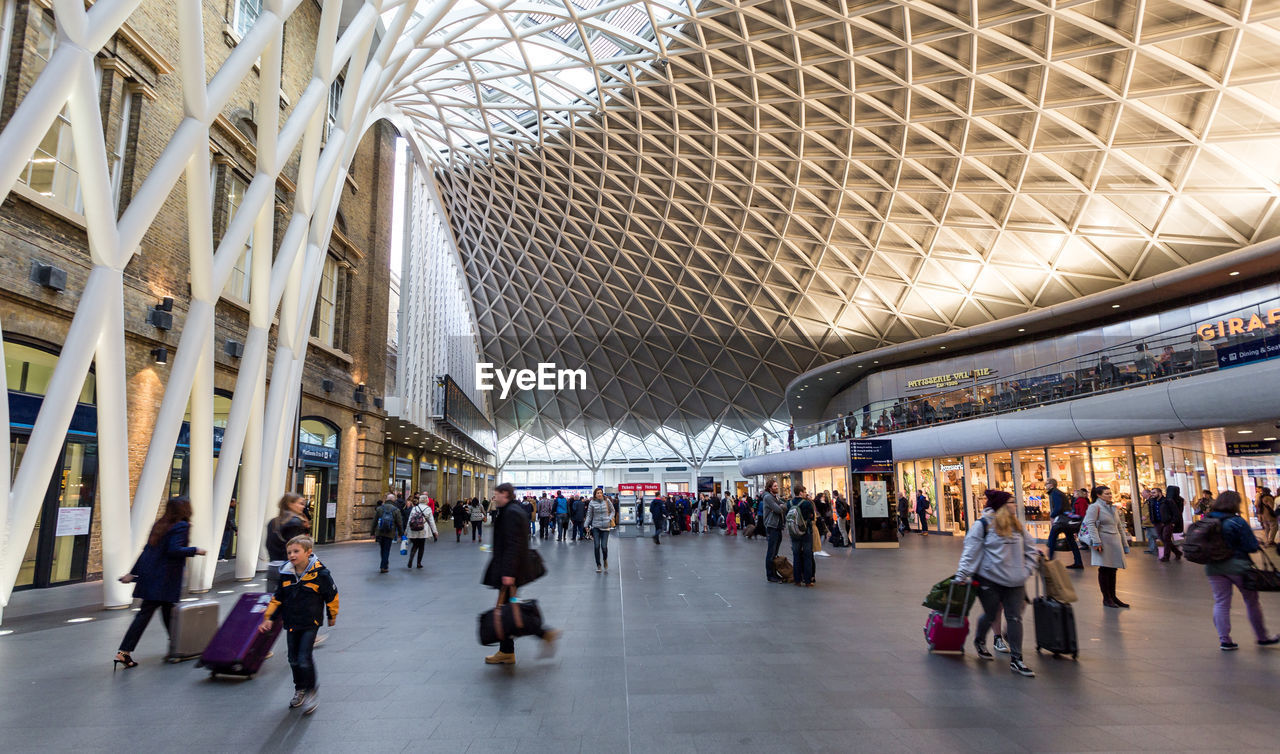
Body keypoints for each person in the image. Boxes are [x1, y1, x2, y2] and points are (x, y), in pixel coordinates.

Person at [114, 497, 206, 669]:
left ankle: (175, 647)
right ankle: (127, 651)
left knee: (163, 613)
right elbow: (174, 550)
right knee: (158, 614)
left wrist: (132, 573)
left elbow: (147, 551)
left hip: (152, 577)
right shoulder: (182, 526)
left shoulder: (160, 525)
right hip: (165, 579)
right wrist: (196, 550)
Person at [954, 489, 1038, 677]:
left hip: (1015, 580)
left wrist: (1026, 571)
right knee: (991, 614)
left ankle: (1017, 659)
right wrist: (961, 575)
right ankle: (979, 640)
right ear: (1000, 505)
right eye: (1011, 502)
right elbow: (970, 552)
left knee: (1014, 617)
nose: (1015, 505)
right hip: (988, 579)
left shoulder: (1017, 526)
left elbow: (1031, 549)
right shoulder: (982, 525)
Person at [258, 535, 338, 713]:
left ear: (308, 553)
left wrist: (332, 615)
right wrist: (268, 618)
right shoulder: (285, 573)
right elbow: (278, 598)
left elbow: (332, 596)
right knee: (293, 659)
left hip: (311, 622)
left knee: (304, 658)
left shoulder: (321, 574)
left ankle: (311, 691)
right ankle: (300, 689)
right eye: (289, 552)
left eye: (296, 551)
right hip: (292, 622)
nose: (292, 555)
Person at [482, 483, 560, 665]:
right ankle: (507, 650)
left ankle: (543, 634)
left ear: (506, 494)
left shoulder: (510, 513)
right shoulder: (512, 510)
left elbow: (513, 544)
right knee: (508, 607)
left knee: (510, 609)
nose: (495, 498)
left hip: (510, 572)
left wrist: (508, 573)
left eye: (497, 494)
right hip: (512, 570)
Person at [1202, 490, 1280, 651]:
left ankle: (1225, 640)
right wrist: (1256, 543)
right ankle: (1262, 637)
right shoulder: (1237, 521)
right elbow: (1250, 546)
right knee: (1251, 601)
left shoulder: (1208, 520)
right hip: (1238, 567)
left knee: (1221, 602)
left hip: (1213, 567)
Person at [1082, 485, 1130, 609]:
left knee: (1113, 569)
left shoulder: (1112, 508)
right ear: (1099, 495)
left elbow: (1119, 526)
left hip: (1115, 541)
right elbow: (1090, 524)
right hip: (1103, 541)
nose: (1110, 495)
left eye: (1110, 493)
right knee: (1104, 569)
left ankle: (1113, 596)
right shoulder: (1094, 507)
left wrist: (1125, 544)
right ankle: (1106, 598)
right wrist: (1096, 541)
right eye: (1107, 494)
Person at [266, 493, 310, 593]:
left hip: (273, 567)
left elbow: (268, 545)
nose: (303, 507)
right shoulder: (295, 522)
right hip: (290, 569)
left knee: (272, 602)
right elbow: (297, 548)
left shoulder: (273, 522)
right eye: (300, 504)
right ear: (290, 504)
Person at [1045, 479, 1083, 569]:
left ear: (1051, 485)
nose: (1045, 486)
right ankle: (1078, 562)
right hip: (1066, 520)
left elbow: (1058, 507)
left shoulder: (1055, 493)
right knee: (1071, 541)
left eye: (1046, 484)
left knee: (1052, 539)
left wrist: (1052, 515)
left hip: (1061, 521)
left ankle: (1050, 561)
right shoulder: (1059, 493)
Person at [788, 486, 816, 587]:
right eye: (804, 492)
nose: (805, 493)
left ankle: (797, 580)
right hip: (806, 532)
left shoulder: (789, 503)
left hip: (794, 533)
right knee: (807, 555)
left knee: (796, 556)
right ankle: (808, 580)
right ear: (800, 493)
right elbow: (812, 517)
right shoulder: (807, 503)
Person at [762, 479, 787, 583]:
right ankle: (770, 575)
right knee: (771, 552)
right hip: (772, 526)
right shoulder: (768, 497)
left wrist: (781, 506)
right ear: (770, 488)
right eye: (775, 486)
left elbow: (785, 505)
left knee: (774, 552)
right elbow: (779, 509)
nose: (777, 487)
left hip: (777, 526)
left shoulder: (774, 497)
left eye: (777, 486)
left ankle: (774, 573)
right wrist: (780, 506)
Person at [370, 495, 403, 573]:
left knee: (382, 549)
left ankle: (384, 563)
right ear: (393, 500)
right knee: (386, 549)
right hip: (390, 532)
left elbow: (374, 521)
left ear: (386, 500)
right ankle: (383, 566)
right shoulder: (396, 510)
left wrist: (372, 532)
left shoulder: (379, 509)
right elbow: (399, 523)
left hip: (380, 532)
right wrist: (401, 534)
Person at [585, 488, 614, 573]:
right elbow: (589, 515)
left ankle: (605, 559)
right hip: (596, 527)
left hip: (606, 527)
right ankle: (598, 565)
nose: (599, 494)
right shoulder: (592, 502)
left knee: (604, 547)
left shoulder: (607, 501)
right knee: (596, 546)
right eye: (597, 493)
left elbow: (613, 511)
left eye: (601, 493)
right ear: (595, 494)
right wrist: (586, 525)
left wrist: (609, 518)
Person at [405, 494, 437, 569]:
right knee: (421, 546)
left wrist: (406, 530)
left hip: (413, 529)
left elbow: (410, 519)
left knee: (415, 545)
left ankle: (411, 559)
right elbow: (431, 521)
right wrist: (435, 531)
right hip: (423, 529)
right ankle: (419, 563)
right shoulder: (428, 509)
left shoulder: (415, 508)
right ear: (426, 500)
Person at [1159, 486, 1184, 562]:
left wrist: (1173, 522)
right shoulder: (1177, 500)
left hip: (1171, 522)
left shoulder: (1172, 500)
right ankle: (1177, 552)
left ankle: (1167, 556)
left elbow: (1177, 512)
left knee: (1166, 538)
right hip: (1169, 521)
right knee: (1166, 539)